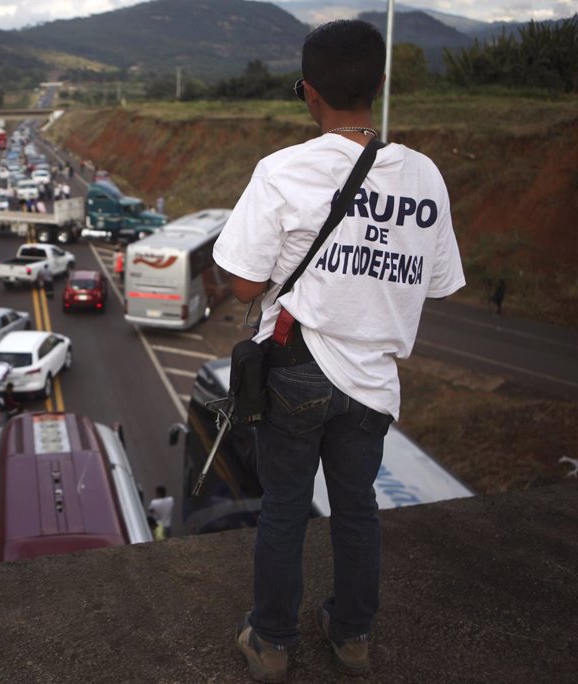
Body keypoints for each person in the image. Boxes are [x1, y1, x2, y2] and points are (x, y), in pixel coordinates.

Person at [212, 20, 465, 682]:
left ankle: (270, 643)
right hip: (374, 382)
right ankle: (351, 638)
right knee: (357, 509)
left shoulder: (283, 170)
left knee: (285, 509)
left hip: (297, 369)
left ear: (309, 94)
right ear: (380, 87)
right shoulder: (425, 176)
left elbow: (243, 282)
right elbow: (434, 281)